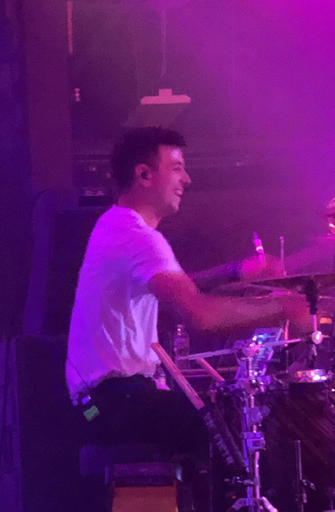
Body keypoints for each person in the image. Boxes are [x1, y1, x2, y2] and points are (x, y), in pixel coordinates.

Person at [66, 126, 309, 453]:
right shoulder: (137, 235)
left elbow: (174, 285)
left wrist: (237, 272)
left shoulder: (118, 225)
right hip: (110, 404)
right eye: (177, 168)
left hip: (100, 402)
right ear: (144, 175)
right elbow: (201, 315)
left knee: (222, 420)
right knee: (232, 429)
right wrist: (285, 308)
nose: (188, 179)